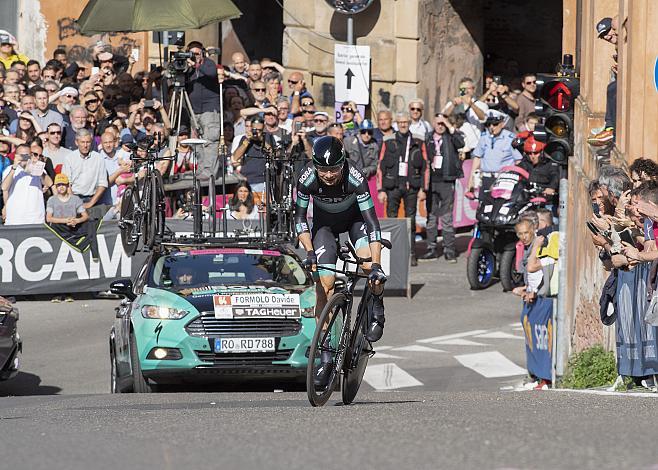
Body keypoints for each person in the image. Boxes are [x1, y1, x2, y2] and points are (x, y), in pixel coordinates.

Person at [294, 136, 387, 387]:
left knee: (369, 267)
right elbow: (300, 219)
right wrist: (310, 252)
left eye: (334, 168)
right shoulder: (307, 178)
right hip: (324, 227)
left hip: (355, 223)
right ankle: (325, 357)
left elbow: (372, 224)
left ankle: (376, 305)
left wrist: (377, 266)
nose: (328, 175)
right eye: (323, 169)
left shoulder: (355, 177)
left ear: (343, 163)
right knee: (323, 285)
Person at [376, 112, 429, 266]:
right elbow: (380, 166)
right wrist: (381, 190)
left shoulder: (418, 141)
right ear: (396, 124)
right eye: (400, 123)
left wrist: (423, 189)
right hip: (392, 187)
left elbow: (426, 166)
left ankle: (411, 253)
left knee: (410, 221)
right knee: (392, 221)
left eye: (405, 122)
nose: (403, 125)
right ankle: (392, 253)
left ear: (409, 123)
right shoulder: (388, 141)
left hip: (411, 187)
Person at [46, 173, 99, 302]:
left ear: (67, 186)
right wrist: (65, 220)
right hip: (58, 233)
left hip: (73, 229)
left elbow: (85, 216)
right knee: (57, 266)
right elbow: (49, 218)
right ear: (56, 187)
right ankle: (57, 293)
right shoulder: (52, 200)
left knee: (70, 264)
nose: (61, 187)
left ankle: (70, 292)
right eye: (59, 185)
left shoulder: (75, 199)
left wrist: (76, 221)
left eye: (63, 185)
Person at [421, 113, 465, 262]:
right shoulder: (427, 137)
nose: (440, 126)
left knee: (446, 217)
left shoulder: (451, 136)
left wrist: (449, 125)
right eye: (438, 123)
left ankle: (449, 249)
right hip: (431, 181)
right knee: (431, 217)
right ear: (433, 123)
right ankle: (431, 248)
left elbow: (461, 144)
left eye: (442, 123)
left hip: (447, 180)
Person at [185, 40, 220, 179]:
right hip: (194, 111)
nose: (194, 56)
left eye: (197, 54)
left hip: (209, 109)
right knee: (197, 142)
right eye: (191, 54)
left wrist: (197, 65)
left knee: (210, 141)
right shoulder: (188, 68)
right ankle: (201, 169)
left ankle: (209, 171)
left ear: (202, 53)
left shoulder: (208, 63)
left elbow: (211, 73)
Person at [467, 110, 523, 194]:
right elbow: (477, 158)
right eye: (489, 124)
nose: (491, 127)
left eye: (495, 124)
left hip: (504, 179)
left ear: (502, 124)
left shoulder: (510, 138)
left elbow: (518, 161)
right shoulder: (484, 137)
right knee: (483, 205)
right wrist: (471, 180)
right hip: (486, 178)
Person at [62, 129, 109, 219]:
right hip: (73, 198)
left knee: (93, 228)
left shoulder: (98, 158)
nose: (85, 145)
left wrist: (91, 203)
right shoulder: (69, 158)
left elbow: (102, 184)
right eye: (82, 142)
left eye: (88, 142)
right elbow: (67, 183)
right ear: (76, 142)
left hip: (93, 199)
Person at [2, 143, 51, 225]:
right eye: (21, 155)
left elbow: (49, 183)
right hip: (15, 218)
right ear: (16, 155)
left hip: (36, 218)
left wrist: (38, 167)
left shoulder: (38, 168)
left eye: (26, 155)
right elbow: (4, 187)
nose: (24, 158)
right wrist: (14, 167)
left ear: (31, 155)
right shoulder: (9, 169)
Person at [231, 115, 267, 192]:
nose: (256, 132)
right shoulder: (244, 139)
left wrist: (261, 139)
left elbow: (273, 153)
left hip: (261, 180)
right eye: (254, 129)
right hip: (246, 180)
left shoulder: (267, 137)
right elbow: (235, 157)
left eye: (258, 130)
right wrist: (248, 140)